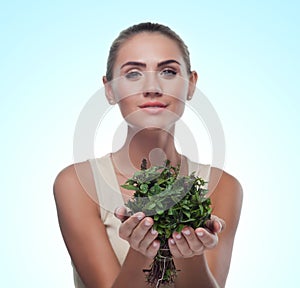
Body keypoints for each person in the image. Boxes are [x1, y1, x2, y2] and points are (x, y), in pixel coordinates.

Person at [53, 22, 243, 288]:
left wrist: (190, 248)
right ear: (109, 89)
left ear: (191, 84)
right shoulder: (77, 184)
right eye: (133, 74)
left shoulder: (223, 186)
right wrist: (142, 250)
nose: (152, 87)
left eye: (168, 71)